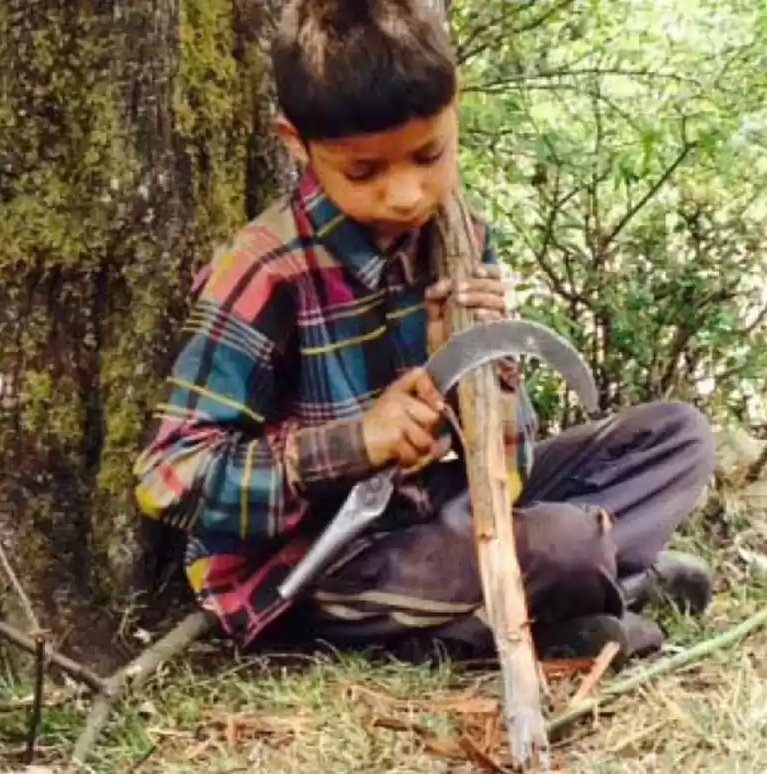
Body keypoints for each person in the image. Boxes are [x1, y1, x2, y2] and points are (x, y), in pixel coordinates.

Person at [133, 0, 716, 665]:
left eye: (428, 154)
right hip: (319, 565)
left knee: (675, 439)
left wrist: (479, 379)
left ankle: (575, 590)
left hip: (433, 513)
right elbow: (169, 480)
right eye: (365, 172)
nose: (407, 194)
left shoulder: (460, 238)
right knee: (562, 544)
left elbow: (507, 471)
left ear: (454, 108)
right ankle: (591, 585)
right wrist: (352, 444)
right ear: (296, 143)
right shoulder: (265, 270)